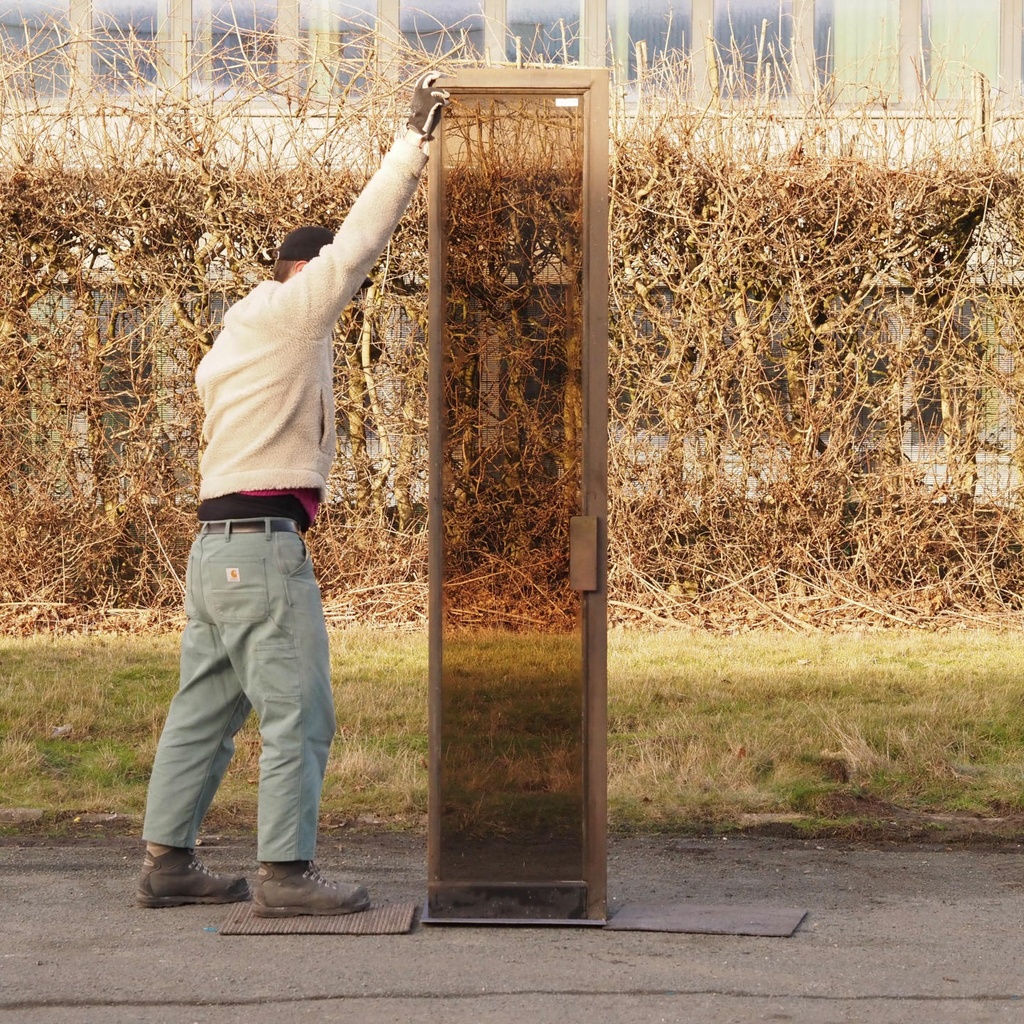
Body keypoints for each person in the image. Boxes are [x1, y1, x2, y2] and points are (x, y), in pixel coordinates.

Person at [136, 72, 449, 917]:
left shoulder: (234, 337)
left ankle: (167, 862)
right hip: (261, 551)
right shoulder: (291, 312)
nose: (342, 302)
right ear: (304, 274)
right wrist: (413, 143)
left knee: (204, 710)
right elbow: (360, 242)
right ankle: (286, 875)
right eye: (331, 288)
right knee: (299, 711)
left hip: (215, 556)